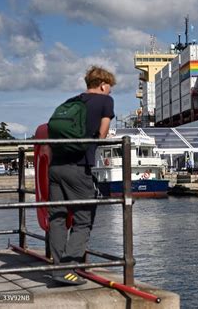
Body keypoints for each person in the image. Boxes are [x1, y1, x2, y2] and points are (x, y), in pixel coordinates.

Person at [48, 65, 116, 285]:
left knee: (57, 218)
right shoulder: (105, 102)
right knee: (83, 220)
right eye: (110, 87)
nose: (110, 91)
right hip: (79, 167)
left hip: (56, 167)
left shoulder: (70, 102)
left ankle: (58, 268)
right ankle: (67, 270)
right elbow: (103, 134)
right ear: (103, 84)